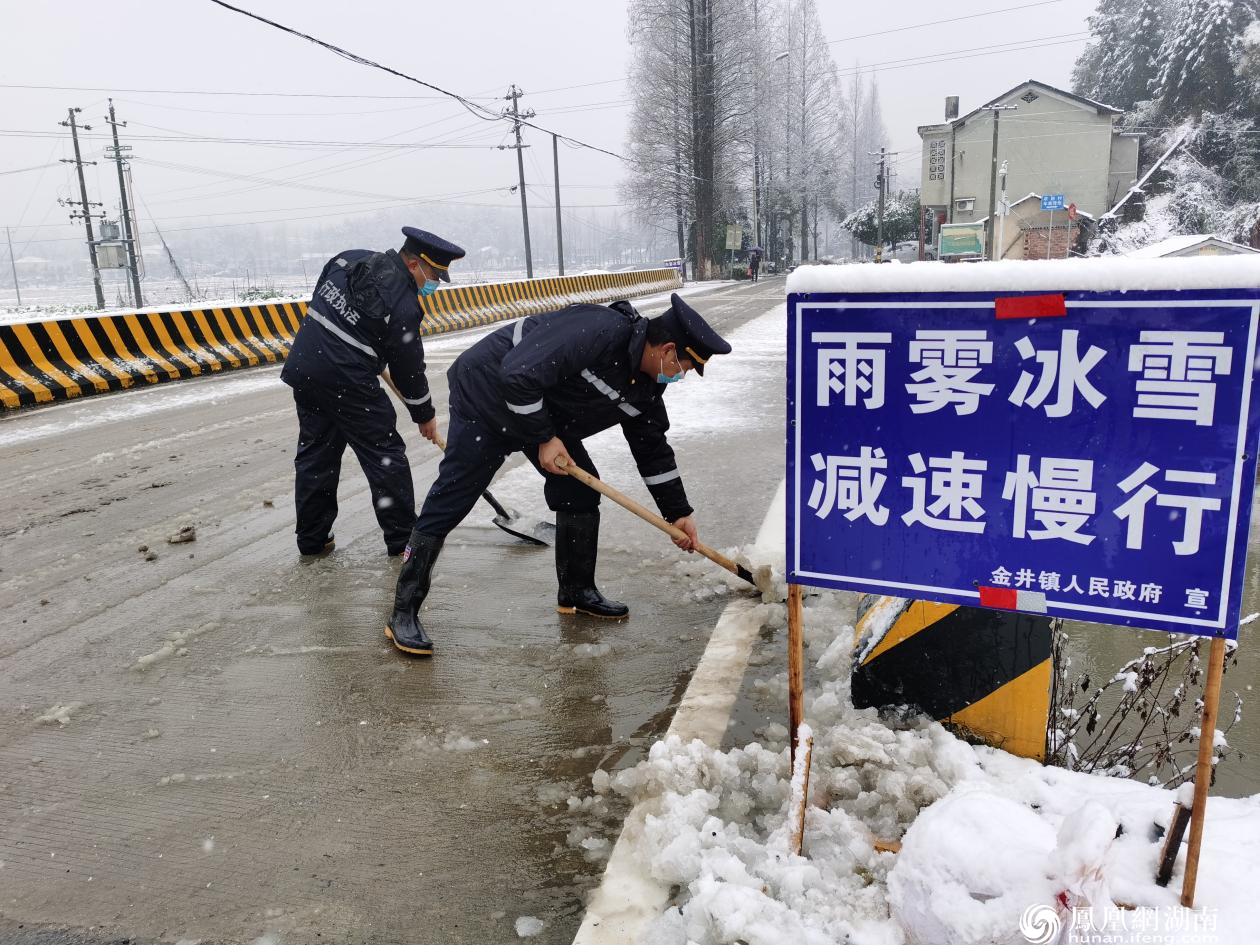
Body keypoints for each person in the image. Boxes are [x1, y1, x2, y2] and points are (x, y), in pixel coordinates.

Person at [384, 292, 731, 656]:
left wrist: (678, 511)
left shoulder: (646, 387)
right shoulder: (598, 329)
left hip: (540, 411)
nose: (679, 376)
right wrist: (544, 438)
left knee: (579, 492)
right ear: (668, 350)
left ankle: (577, 592)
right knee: (453, 498)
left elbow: (653, 449)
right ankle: (402, 613)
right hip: (486, 393)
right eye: (683, 368)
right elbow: (517, 375)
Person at [281, 227, 465, 557]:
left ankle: (312, 539)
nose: (432, 284)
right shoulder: (405, 304)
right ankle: (403, 539)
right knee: (385, 455)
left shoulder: (349, 259)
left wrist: (358, 336)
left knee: (316, 455)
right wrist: (424, 414)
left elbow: (324, 295)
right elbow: (409, 368)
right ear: (414, 265)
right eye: (433, 276)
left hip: (306, 366)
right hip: (347, 379)